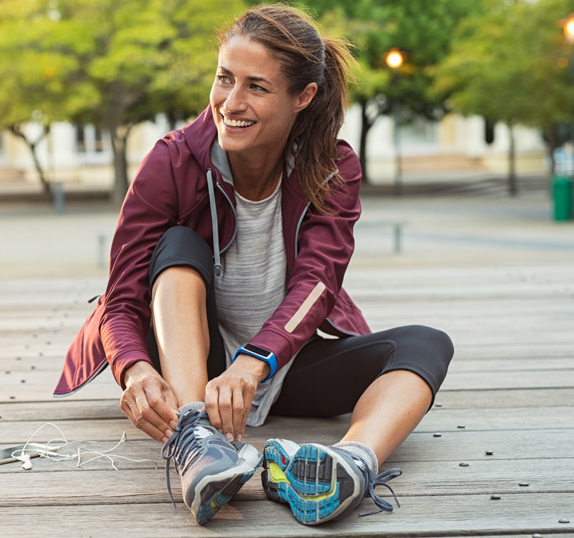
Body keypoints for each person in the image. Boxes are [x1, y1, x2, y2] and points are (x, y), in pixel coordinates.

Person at [54, 3, 454, 527]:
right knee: (176, 245)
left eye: (256, 87)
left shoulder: (332, 167)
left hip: (280, 363)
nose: (231, 102)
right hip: (194, 369)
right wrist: (134, 368)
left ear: (303, 97)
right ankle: (196, 441)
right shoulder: (172, 161)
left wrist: (254, 361)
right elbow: (122, 298)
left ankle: (351, 464)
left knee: (426, 343)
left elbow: (318, 283)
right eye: (224, 79)